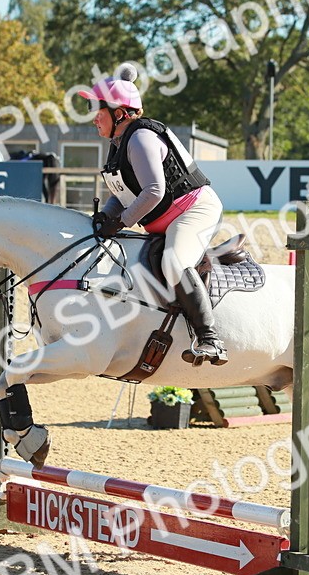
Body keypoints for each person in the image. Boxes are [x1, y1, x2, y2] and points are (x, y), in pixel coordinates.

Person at [80, 63, 228, 366]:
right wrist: (104, 218)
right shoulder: (118, 143)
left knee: (174, 262)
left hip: (194, 210)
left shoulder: (140, 138)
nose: (94, 117)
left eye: (99, 110)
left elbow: (153, 192)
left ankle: (210, 339)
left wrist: (120, 222)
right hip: (165, 219)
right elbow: (123, 193)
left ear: (120, 112)